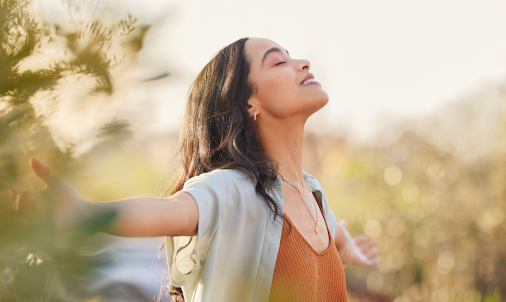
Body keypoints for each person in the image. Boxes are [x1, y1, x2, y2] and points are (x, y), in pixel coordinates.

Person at [27, 37, 380, 302]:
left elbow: (331, 231)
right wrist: (83, 213)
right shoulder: (234, 190)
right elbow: (171, 210)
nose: (302, 63)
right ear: (248, 102)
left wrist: (346, 247)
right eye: (279, 63)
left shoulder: (313, 194)